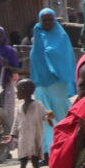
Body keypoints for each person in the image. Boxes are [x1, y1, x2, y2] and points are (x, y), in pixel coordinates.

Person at [28, 8, 76, 157]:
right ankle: (48, 151)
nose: (47, 23)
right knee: (44, 118)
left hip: (58, 83)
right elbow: (35, 56)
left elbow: (66, 58)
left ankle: (65, 146)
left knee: (60, 116)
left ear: (55, 20)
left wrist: (51, 53)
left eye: (50, 20)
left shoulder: (61, 36)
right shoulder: (37, 33)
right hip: (40, 83)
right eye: (44, 20)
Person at [15, 78, 49, 168]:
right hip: (23, 139)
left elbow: (45, 116)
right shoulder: (19, 107)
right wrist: (12, 135)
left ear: (25, 91)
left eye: (18, 91)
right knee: (23, 162)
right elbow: (16, 122)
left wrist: (49, 118)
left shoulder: (38, 105)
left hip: (35, 138)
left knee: (35, 163)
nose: (17, 93)